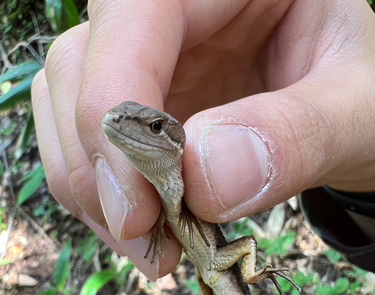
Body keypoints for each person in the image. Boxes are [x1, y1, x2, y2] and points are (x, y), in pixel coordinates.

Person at [32, 0, 375, 278]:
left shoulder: (185, 176)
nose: (121, 122)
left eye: (153, 127)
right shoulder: (168, 186)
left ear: (173, 140)